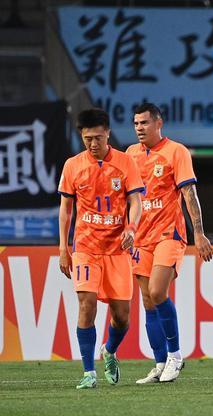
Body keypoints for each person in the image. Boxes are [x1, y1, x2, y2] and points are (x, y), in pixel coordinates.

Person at [126, 103, 213, 383]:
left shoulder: (177, 151)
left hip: (169, 234)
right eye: (136, 123)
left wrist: (199, 233)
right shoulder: (130, 154)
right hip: (141, 237)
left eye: (144, 123)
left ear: (158, 123)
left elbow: (189, 194)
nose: (139, 128)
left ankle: (175, 355)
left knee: (157, 291)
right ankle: (160, 362)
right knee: (147, 300)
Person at [58, 108, 144, 389]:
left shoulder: (125, 163)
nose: (93, 144)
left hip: (117, 249)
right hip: (86, 247)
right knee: (87, 304)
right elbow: (66, 210)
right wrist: (63, 248)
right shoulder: (73, 165)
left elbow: (136, 201)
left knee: (122, 316)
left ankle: (109, 350)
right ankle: (88, 372)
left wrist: (131, 228)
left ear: (107, 133)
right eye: (87, 139)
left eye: (97, 138)